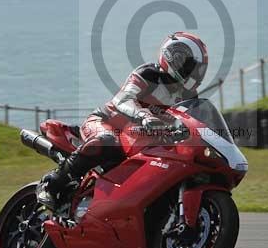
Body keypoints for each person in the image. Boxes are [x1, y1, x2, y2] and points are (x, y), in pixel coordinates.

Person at [36, 31, 208, 209]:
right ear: (175, 58)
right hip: (107, 122)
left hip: (141, 138)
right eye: (192, 66)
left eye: (199, 69)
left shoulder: (189, 95)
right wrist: (143, 115)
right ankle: (53, 183)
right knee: (107, 141)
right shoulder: (149, 74)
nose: (196, 73)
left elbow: (193, 121)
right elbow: (123, 99)